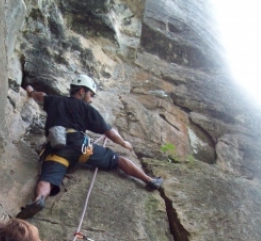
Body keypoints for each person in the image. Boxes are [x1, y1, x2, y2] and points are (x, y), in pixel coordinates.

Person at [17, 74, 163, 219]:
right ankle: (149, 180)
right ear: (82, 91)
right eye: (91, 94)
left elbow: (38, 95)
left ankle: (39, 200)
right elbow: (109, 131)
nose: (91, 99)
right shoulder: (86, 108)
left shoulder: (54, 100)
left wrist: (29, 89)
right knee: (117, 159)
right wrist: (123, 143)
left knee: (48, 178)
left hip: (57, 148)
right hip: (80, 147)